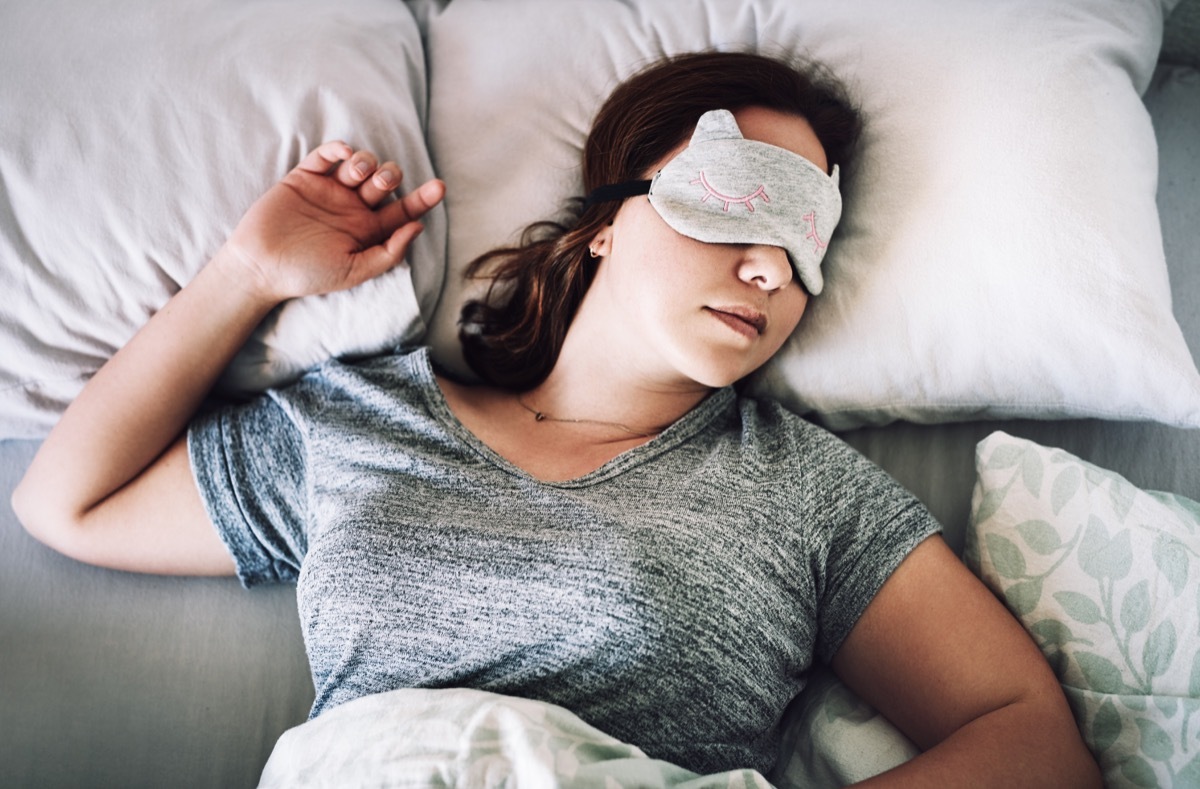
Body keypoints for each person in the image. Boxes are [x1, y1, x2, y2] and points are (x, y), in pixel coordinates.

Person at [12, 52, 1100, 785]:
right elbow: (70, 503)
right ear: (603, 227)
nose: (772, 265)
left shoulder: (803, 492)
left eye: (807, 237)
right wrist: (246, 276)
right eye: (738, 202)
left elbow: (1035, 738)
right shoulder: (359, 421)